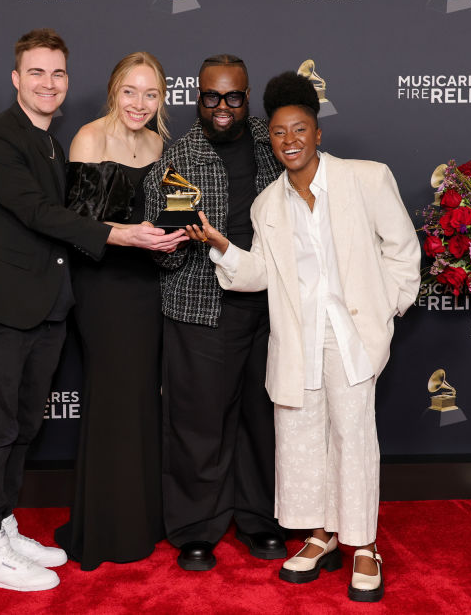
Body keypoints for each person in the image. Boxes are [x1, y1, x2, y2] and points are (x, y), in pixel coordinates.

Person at [0, 29, 185, 592]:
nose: (48, 84)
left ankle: (3, 526)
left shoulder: (53, 144)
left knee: (22, 423)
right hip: (1, 302)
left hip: (48, 303)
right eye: (37, 73)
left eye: (57, 74)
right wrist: (123, 235)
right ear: (17, 78)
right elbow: (37, 212)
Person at [186, 71, 420, 602]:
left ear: (317, 134)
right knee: (300, 439)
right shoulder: (268, 204)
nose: (289, 141)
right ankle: (320, 534)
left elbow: (403, 250)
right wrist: (222, 246)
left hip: (352, 336)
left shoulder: (366, 178)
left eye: (299, 130)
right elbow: (262, 275)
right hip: (297, 339)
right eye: (278, 133)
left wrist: (387, 311)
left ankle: (363, 544)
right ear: (269, 138)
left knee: (353, 437)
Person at [143, 54, 286, 571]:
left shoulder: (277, 147)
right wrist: (181, 240)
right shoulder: (177, 159)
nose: (222, 107)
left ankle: (262, 521)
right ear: (196, 98)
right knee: (197, 424)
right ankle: (195, 529)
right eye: (211, 97)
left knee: (263, 420)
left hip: (271, 308)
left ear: (247, 97)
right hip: (201, 309)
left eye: (233, 97)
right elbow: (162, 246)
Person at [53, 52, 171, 569]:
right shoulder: (88, 138)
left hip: (149, 288)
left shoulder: (160, 144)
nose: (139, 104)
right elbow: (79, 232)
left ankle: (140, 518)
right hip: (102, 288)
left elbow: (168, 215)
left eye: (150, 94)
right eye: (130, 92)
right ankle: (103, 528)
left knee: (142, 399)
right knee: (110, 398)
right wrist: (129, 237)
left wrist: (178, 237)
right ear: (113, 91)